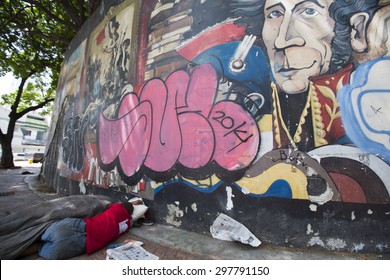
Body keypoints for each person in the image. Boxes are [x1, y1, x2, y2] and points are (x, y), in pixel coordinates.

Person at [231, 0, 380, 152]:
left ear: (357, 31)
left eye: (309, 12)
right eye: (274, 14)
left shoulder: (375, 120)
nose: (281, 41)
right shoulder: (253, 124)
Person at [21, 200, 149, 260]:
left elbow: (120, 203)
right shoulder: (127, 226)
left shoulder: (116, 208)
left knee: (35, 236)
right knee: (39, 248)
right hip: (78, 245)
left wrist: (135, 203)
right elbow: (137, 214)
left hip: (75, 227)